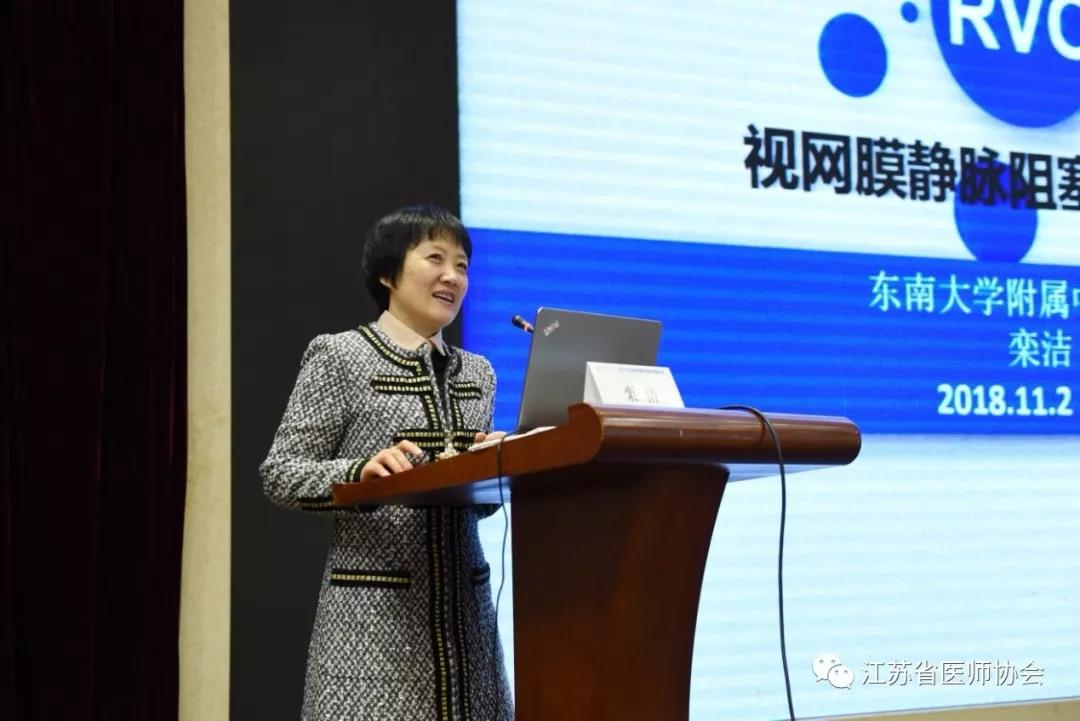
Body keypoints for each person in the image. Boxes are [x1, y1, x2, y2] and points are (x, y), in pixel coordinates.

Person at [260, 205, 514, 720]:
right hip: (373, 624)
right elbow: (281, 472)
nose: (453, 277)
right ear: (387, 274)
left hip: (468, 624)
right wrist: (358, 472)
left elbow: (475, 505)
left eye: (462, 266)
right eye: (436, 259)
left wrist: (495, 466)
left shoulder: (479, 373)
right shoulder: (340, 356)